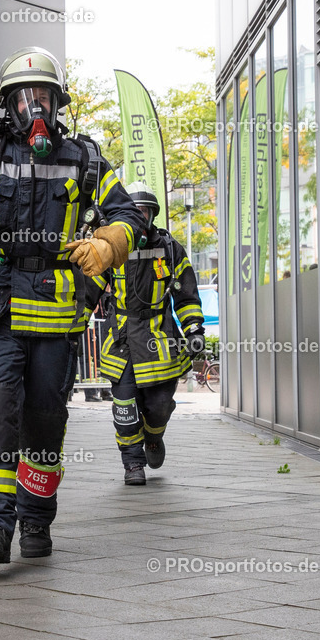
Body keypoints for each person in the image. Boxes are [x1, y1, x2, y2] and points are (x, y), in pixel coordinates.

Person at [0, 47, 143, 565]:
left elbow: (128, 213)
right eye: (25, 97)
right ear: (8, 104)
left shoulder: (84, 158)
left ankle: (37, 522)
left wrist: (109, 242)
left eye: (42, 96)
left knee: (44, 423)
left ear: (56, 102)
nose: (34, 107)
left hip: (56, 319)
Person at [85, 182, 205, 485]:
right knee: (125, 406)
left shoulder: (170, 248)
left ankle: (153, 438)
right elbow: (89, 291)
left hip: (160, 337)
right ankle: (133, 464)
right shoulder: (112, 247)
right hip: (122, 339)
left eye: (144, 212)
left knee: (159, 404)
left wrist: (194, 329)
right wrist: (71, 325)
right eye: (134, 212)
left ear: (152, 215)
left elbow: (186, 294)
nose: (139, 217)